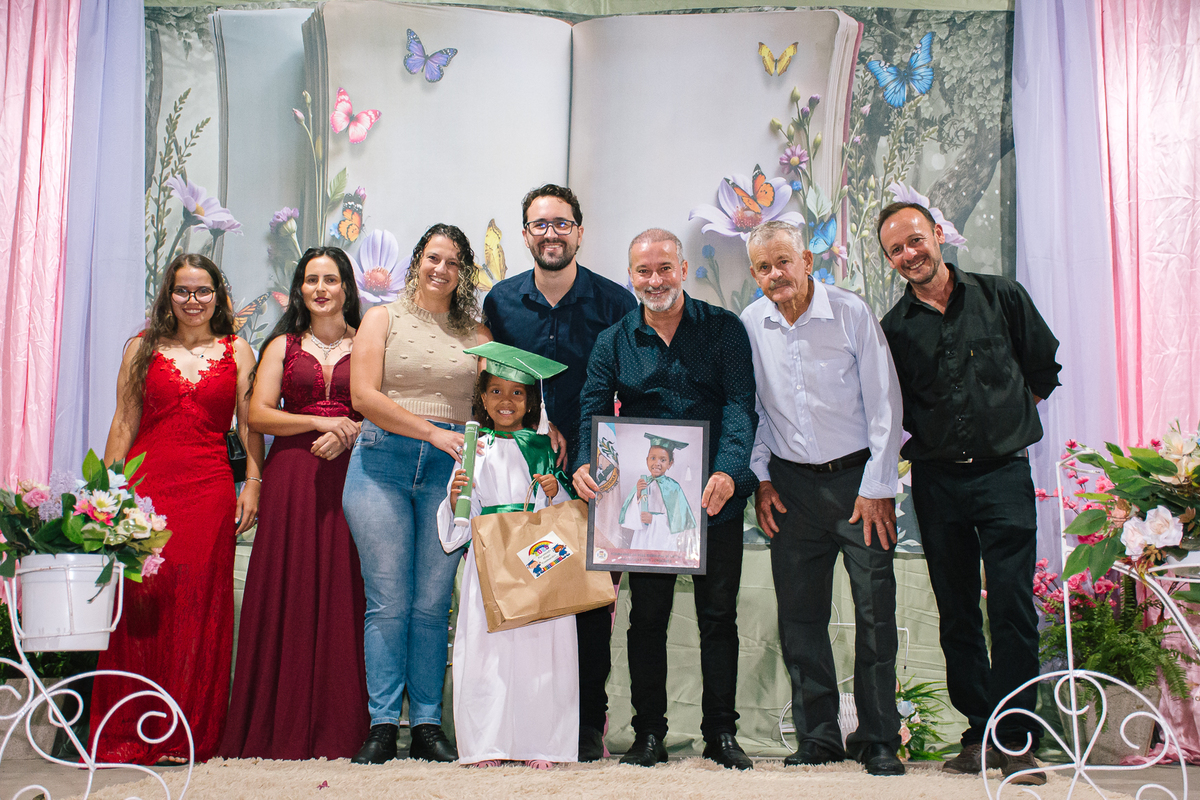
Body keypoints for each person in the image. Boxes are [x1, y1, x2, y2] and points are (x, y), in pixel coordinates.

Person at [878, 202, 1061, 785]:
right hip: (937, 484)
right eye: (896, 250)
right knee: (956, 611)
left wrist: (1001, 424)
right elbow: (893, 409)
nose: (909, 254)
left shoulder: (1001, 296)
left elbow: (1043, 371)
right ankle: (980, 730)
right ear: (890, 260)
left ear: (937, 235)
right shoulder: (893, 329)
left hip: (1004, 475)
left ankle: (1017, 738)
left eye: (915, 240)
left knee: (1010, 606)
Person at [572, 228, 758, 770]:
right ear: (630, 275)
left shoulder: (724, 328)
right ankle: (648, 733)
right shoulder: (614, 340)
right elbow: (592, 408)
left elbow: (741, 407)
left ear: (683, 269)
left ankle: (721, 733)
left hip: (714, 497)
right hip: (647, 506)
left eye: (664, 269)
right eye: (643, 271)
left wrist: (728, 471)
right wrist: (585, 462)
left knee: (718, 618)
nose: (655, 281)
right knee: (647, 619)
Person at [740, 221, 905, 776]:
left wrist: (878, 486)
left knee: (875, 613)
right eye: (764, 267)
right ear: (755, 273)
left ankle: (879, 738)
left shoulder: (851, 313)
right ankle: (818, 737)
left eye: (783, 261)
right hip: (790, 488)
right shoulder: (751, 324)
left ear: (807, 261)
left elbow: (885, 405)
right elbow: (752, 411)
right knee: (799, 617)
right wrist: (762, 480)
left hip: (858, 485)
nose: (775, 274)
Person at [482, 184, 637, 760]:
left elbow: (632, 384)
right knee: (528, 587)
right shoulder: (500, 302)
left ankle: (587, 724)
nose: (552, 233)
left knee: (591, 598)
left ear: (579, 231)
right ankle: (525, 721)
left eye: (562, 223)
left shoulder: (615, 302)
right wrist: (532, 431)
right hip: (525, 473)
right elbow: (492, 386)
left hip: (597, 474)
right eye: (540, 224)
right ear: (525, 235)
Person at [92, 253, 264, 764]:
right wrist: (108, 495)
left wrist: (253, 483)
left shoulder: (238, 350)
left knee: (198, 605)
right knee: (142, 602)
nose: (193, 300)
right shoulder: (141, 347)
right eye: (183, 290)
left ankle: (185, 733)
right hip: (146, 491)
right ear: (168, 295)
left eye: (203, 290)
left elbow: (249, 426)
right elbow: (124, 422)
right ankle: (127, 730)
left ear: (218, 296)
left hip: (209, 492)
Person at [342, 224, 491, 765]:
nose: (441, 269)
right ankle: (383, 725)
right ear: (417, 261)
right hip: (381, 463)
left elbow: (494, 404)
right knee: (388, 602)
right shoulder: (381, 317)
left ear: (463, 273)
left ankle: (427, 724)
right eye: (433, 258)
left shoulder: (478, 334)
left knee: (431, 605)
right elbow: (363, 396)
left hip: (449, 474)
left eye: (453, 262)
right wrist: (430, 432)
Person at [220, 247, 369, 760]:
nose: (321, 289)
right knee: (290, 589)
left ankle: (341, 726)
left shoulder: (369, 341)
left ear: (347, 287)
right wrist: (320, 421)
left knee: (345, 591)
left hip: (354, 477)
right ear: (300, 288)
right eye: (311, 280)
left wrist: (349, 433)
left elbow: (384, 408)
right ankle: (275, 724)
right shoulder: (282, 344)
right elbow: (259, 415)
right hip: (291, 479)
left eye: (331, 279)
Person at [436, 342, 577, 768]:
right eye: (496, 391)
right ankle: (487, 744)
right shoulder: (474, 447)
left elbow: (564, 515)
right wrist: (455, 499)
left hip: (537, 559)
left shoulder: (542, 447)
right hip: (490, 556)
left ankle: (541, 744)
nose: (506, 401)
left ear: (531, 401)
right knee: (489, 651)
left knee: (540, 649)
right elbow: (460, 520)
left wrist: (554, 489)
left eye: (517, 393)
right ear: (482, 398)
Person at [618, 435, 698, 553]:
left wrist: (653, 519)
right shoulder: (643, 483)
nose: (657, 463)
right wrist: (638, 493)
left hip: (662, 536)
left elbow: (676, 519)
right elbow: (631, 510)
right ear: (647, 460)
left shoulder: (673, 487)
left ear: (670, 463)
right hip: (642, 533)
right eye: (653, 458)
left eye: (663, 460)